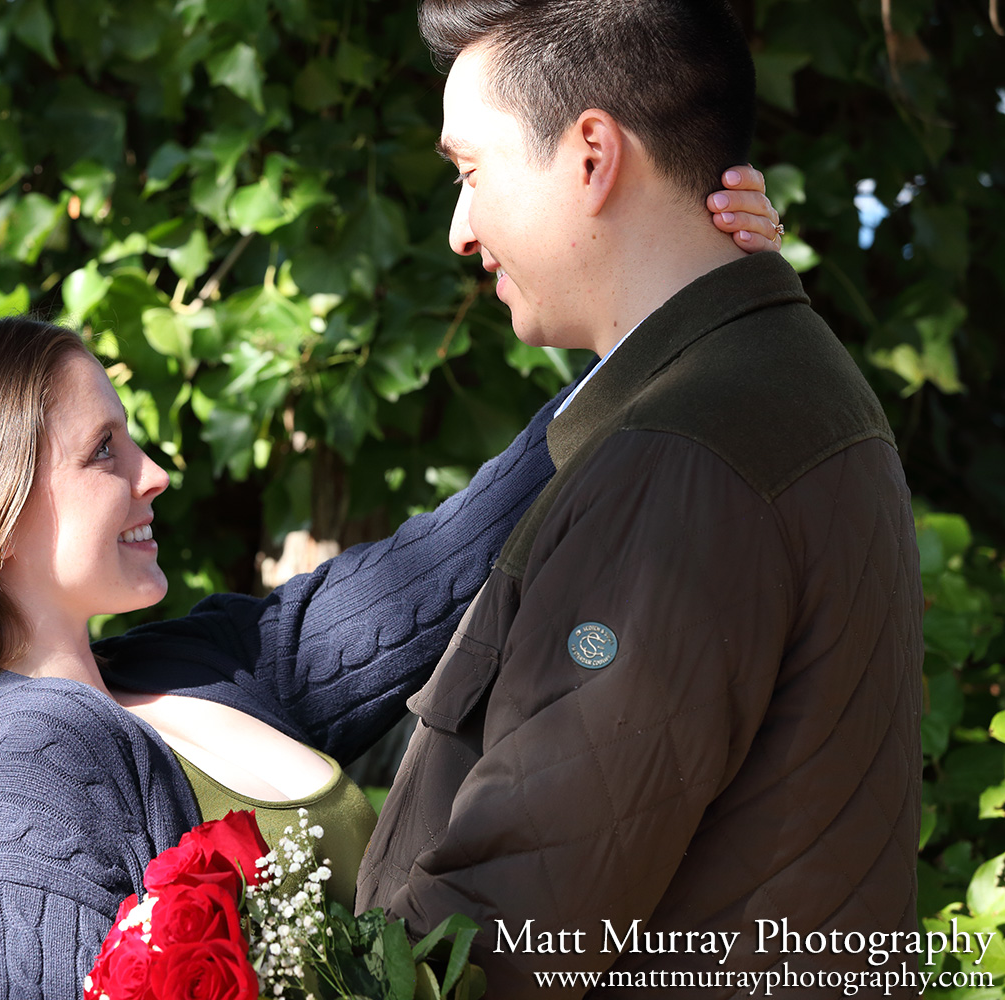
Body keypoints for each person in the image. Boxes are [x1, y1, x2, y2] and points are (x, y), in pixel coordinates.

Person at [0, 184, 782, 997]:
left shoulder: (195, 666)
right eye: (103, 453)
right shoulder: (17, 770)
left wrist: (675, 305)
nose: (154, 473)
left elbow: (450, 554)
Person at [351, 1, 924, 995]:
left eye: (469, 171)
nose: (458, 229)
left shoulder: (681, 460)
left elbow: (501, 934)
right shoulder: (755, 388)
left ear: (591, 155)